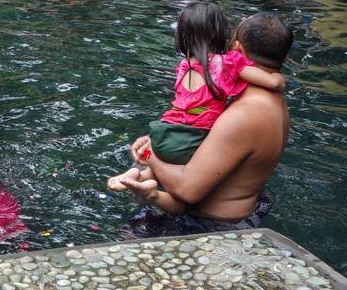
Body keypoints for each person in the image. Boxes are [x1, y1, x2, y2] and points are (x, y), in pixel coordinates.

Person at [113, 13, 293, 236]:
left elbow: (187, 190)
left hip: (208, 227)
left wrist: (149, 153)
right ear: (285, 60)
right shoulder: (274, 103)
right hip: (244, 212)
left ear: (236, 49)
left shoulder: (246, 112)